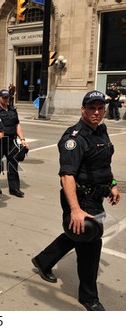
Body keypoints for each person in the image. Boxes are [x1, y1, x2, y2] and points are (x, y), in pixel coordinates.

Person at [32, 90, 120, 311]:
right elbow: (66, 176)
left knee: (77, 234)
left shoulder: (101, 131)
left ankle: (43, 261)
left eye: (101, 108)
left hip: (96, 196)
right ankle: (89, 298)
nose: (97, 112)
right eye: (92, 108)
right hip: (81, 198)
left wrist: (112, 184)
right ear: (83, 109)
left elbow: (103, 165)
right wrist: (75, 209)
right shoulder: (74, 138)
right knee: (91, 246)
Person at [0, 89, 28, 197]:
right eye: (4, 97)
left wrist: (22, 139)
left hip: (11, 141)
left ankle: (14, 188)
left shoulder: (12, 110)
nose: (6, 99)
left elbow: (17, 125)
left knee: (13, 164)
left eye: (8, 97)